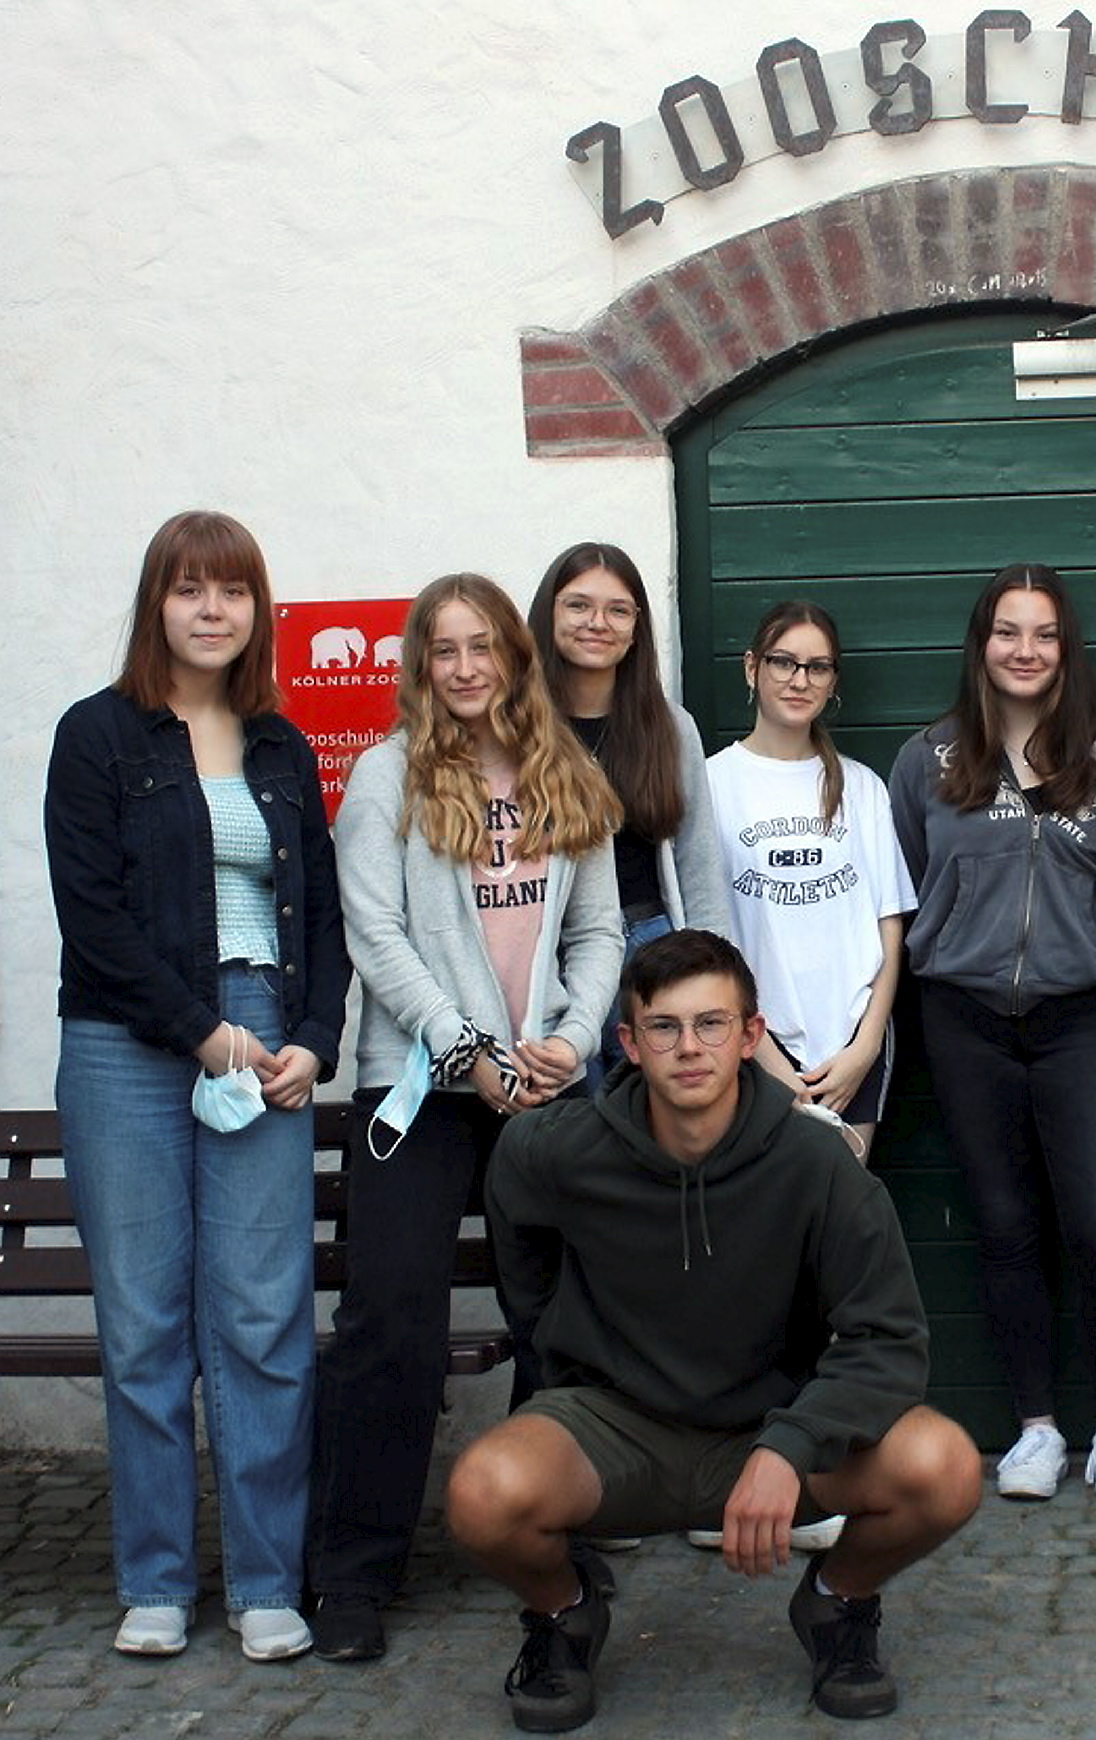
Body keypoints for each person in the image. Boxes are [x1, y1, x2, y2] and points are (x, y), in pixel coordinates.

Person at [445, 930, 980, 1733]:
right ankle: (564, 1616)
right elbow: (522, 1248)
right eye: (664, 1026)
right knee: (483, 1493)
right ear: (629, 1042)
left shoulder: (815, 1163)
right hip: (614, 1429)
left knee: (944, 1466)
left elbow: (889, 1340)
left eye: (711, 1024)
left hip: (770, 1426)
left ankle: (838, 1603)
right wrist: (560, 1343)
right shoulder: (559, 1148)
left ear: (750, 1036)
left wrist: (790, 1444)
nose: (689, 1047)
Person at [45, 510, 350, 1662]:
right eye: (188, 589)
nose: (211, 609)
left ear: (257, 611)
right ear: (156, 604)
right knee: (144, 1325)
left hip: (262, 1032)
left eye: (232, 590)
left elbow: (321, 912)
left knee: (265, 1318)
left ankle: (267, 1583)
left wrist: (311, 1038)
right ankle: (159, 1580)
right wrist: (199, 1032)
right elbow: (94, 916)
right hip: (127, 1044)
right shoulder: (97, 735)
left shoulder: (279, 744)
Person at [307, 573, 624, 1663]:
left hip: (540, 1087)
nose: (466, 668)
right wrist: (464, 1051)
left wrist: (572, 1037)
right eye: (444, 650)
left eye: (483, 646)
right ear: (421, 666)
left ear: (514, 658)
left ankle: (553, 1535)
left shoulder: (565, 771)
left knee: (560, 1319)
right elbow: (375, 934)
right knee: (390, 1325)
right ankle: (351, 1573)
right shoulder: (387, 774)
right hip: (422, 1092)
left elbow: (598, 933)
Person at [888, 563, 1096, 1505]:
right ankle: (1036, 1429)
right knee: (1004, 1228)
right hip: (964, 1021)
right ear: (982, 642)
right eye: (1009, 631)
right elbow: (905, 891)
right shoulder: (927, 759)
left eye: (1044, 633)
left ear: (1066, 647)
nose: (1026, 650)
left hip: (1088, 1019)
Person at [706, 601, 916, 1158]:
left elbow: (889, 926)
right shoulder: (711, 784)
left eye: (817, 667)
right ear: (751, 668)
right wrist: (763, 1054)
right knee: (762, 1199)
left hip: (851, 1043)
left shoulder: (862, 787)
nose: (800, 680)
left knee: (843, 1197)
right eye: (784, 662)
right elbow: (705, 937)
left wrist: (866, 1045)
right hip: (752, 1042)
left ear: (833, 681)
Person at [529, 541, 731, 1081]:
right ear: (548, 612)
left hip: (653, 947)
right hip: (551, 958)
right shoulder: (516, 730)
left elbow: (698, 863)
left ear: (637, 626)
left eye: (618, 610)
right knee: (575, 1117)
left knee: (660, 1116)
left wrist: (713, 974)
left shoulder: (670, 727)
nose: (598, 623)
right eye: (578, 605)